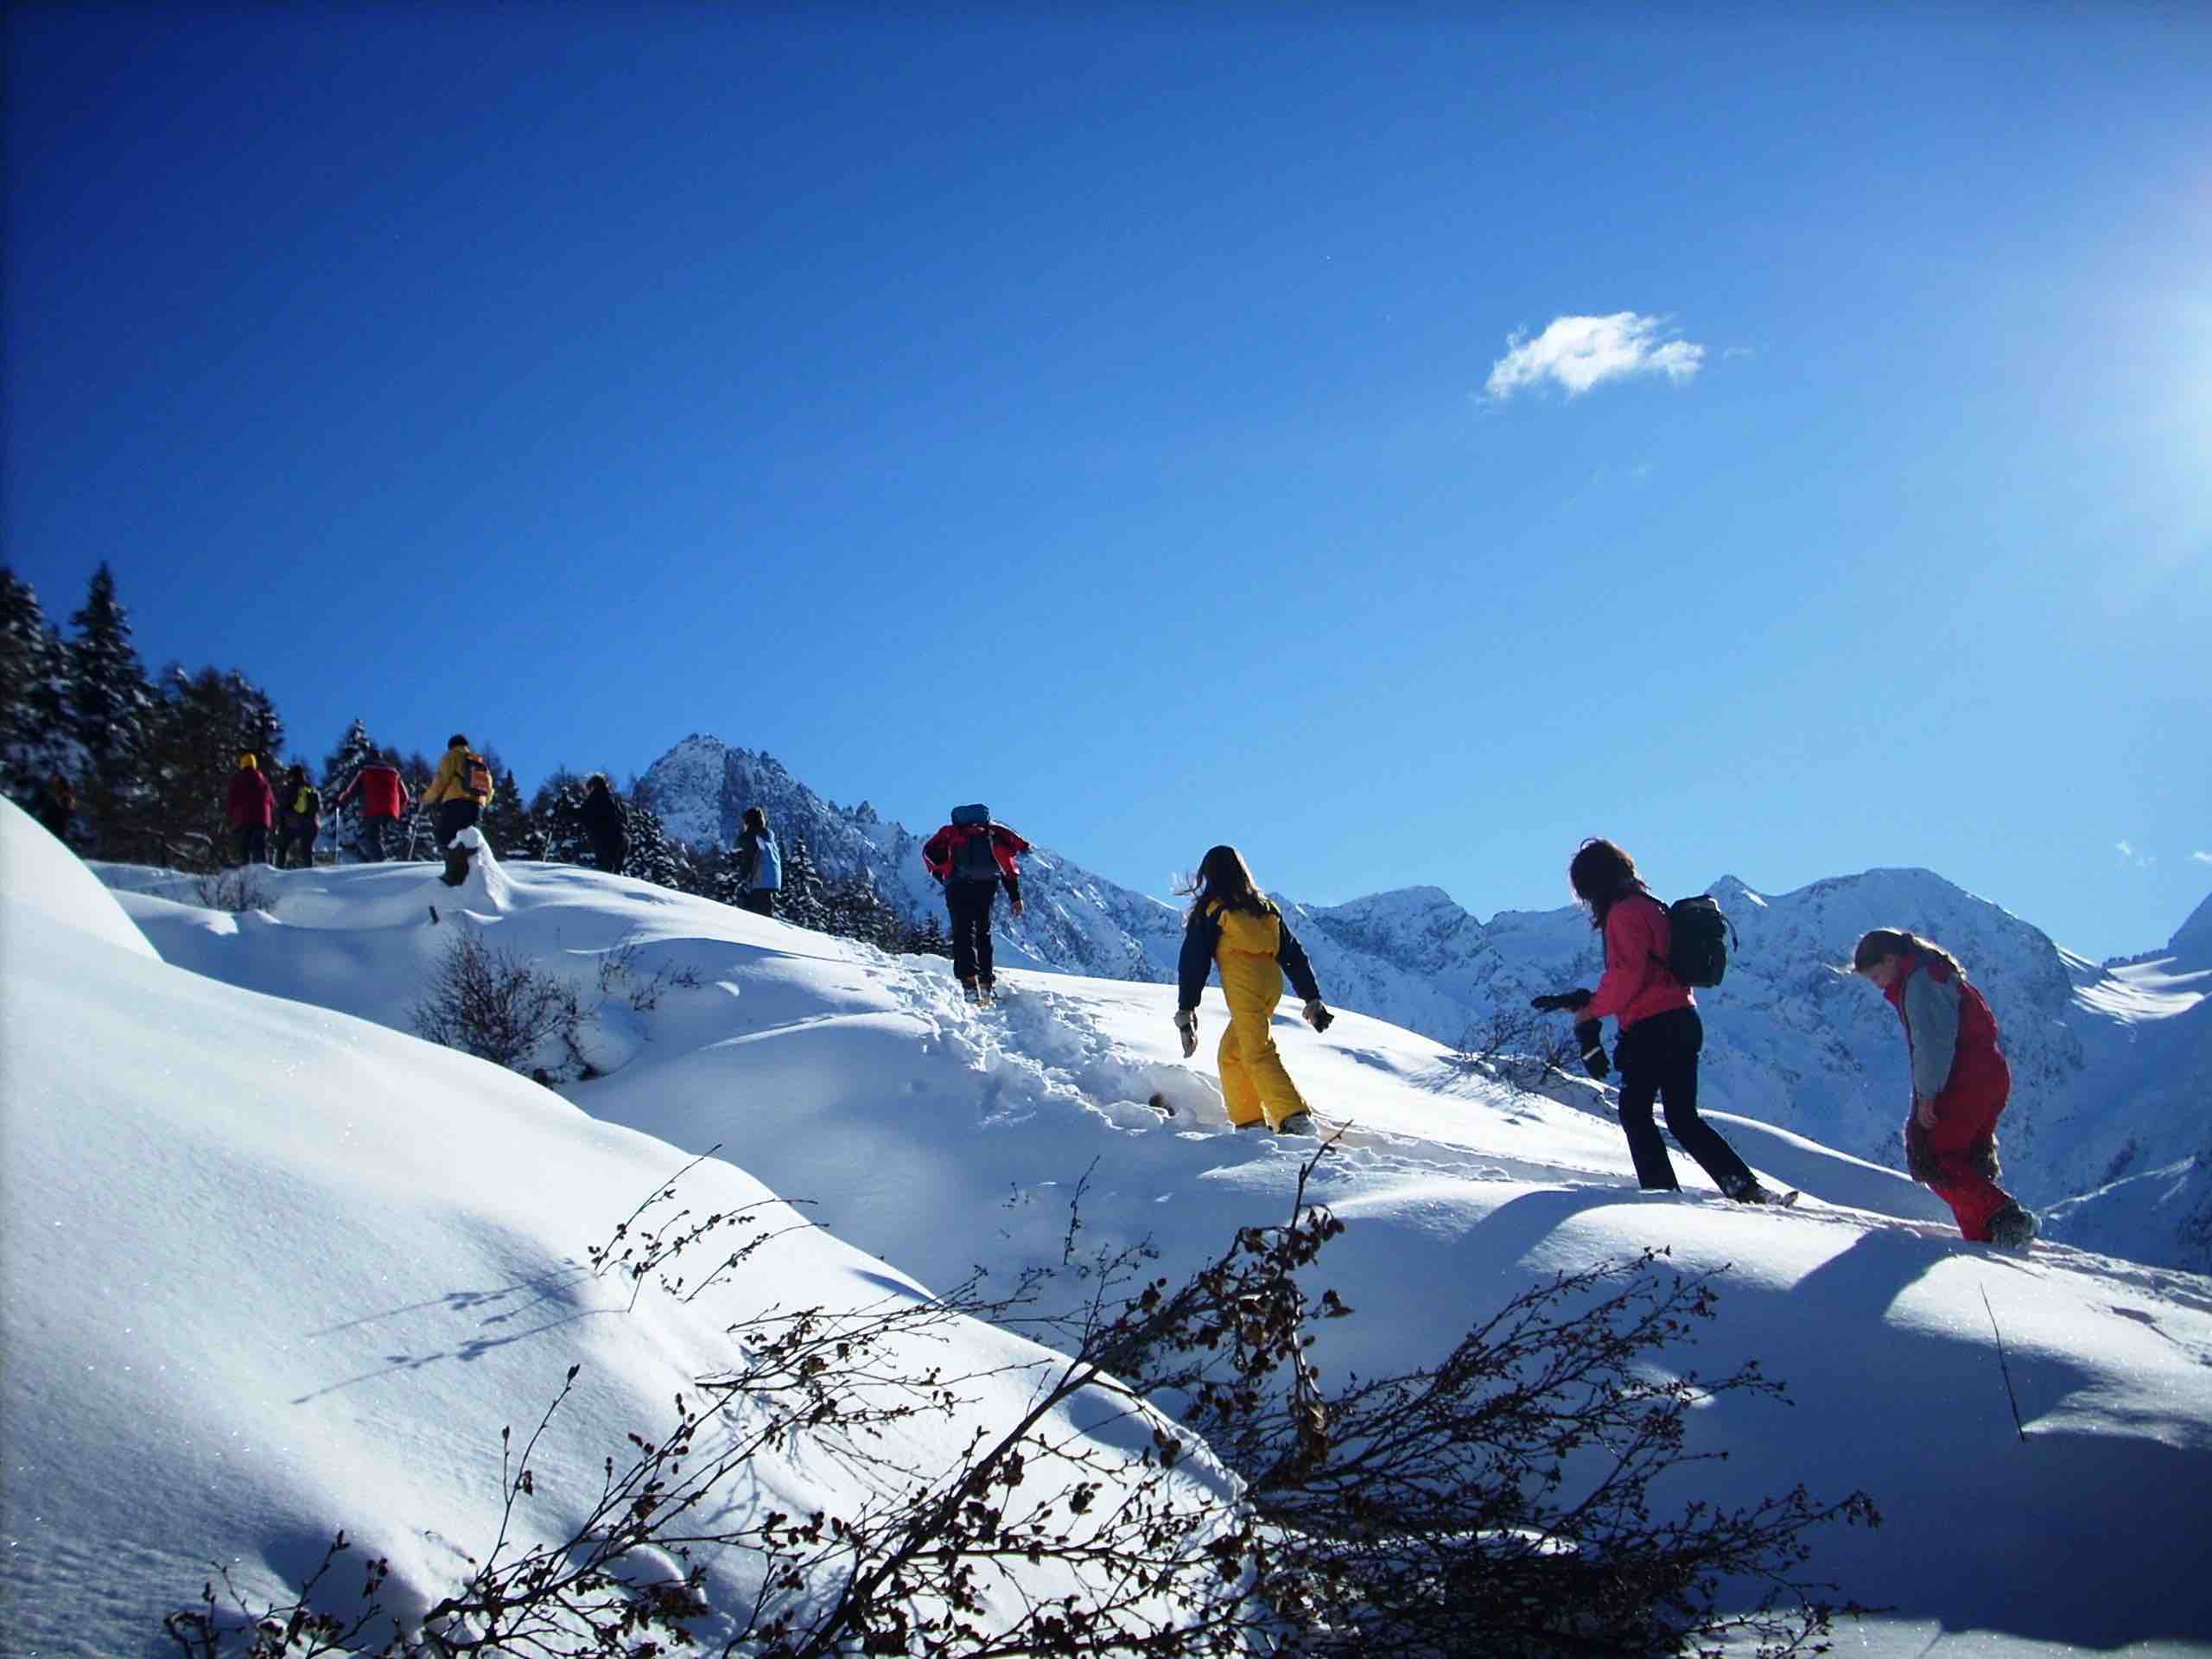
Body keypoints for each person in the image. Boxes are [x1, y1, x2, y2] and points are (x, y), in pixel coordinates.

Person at [1546, 837, 1775, 1202]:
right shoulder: (1652, 906)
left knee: (1635, 1111)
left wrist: (1590, 1013)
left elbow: (1627, 976)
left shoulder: (1623, 914)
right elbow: (1647, 972)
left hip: (1651, 1027)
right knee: (1683, 1117)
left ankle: (1660, 1193)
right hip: (1684, 1018)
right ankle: (1743, 1186)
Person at [1853, 929, 2038, 1250]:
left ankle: (2005, 1217)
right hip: (1986, 1075)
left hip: (1963, 1079)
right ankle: (1985, 1238)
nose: (1879, 984)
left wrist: (1927, 1095)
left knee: (1933, 1155)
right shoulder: (1936, 972)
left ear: (1890, 960)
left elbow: (1932, 1043)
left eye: (1876, 975)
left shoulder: (1921, 983)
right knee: (1965, 1158)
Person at [1173, 844, 1333, 1135]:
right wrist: (1311, 998)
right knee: (1232, 1053)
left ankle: (1294, 1118)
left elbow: (1194, 962)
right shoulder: (1265, 908)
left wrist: (1186, 1008)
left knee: (1257, 1051)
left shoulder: (1213, 910)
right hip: (1271, 985)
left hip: (1245, 985)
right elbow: (1293, 954)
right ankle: (1250, 1123)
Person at [921, 804, 1028, 1003]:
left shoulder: (950, 834)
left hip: (957, 886)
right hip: (986, 886)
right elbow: (1007, 867)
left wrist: (945, 878)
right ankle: (987, 984)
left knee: (962, 932)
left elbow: (931, 857)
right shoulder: (992, 835)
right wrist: (1015, 897)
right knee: (983, 932)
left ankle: (970, 984)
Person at [420, 733, 495, 885]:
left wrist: (427, 799)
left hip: (455, 802)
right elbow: (490, 788)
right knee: (467, 840)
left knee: (445, 836)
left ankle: (452, 876)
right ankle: (467, 877)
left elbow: (442, 778)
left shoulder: (452, 755)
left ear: (452, 745)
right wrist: (482, 803)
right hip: (475, 805)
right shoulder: (478, 760)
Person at [331, 759, 410, 862]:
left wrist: (341, 802)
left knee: (372, 838)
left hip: (372, 809)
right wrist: (399, 811)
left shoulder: (366, 771)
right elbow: (405, 797)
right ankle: (393, 861)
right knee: (387, 838)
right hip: (391, 811)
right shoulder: (394, 773)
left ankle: (381, 863)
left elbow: (352, 790)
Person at [224, 752, 274, 868]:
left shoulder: (237, 779)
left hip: (243, 819)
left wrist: (230, 816)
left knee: (243, 848)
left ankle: (245, 874)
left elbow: (232, 799)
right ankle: (262, 872)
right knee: (259, 847)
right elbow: (271, 801)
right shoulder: (264, 780)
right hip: (262, 819)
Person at [733, 804, 781, 917]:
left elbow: (748, 859)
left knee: (758, 918)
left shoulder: (753, 836)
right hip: (771, 883)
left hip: (760, 882)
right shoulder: (767, 836)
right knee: (763, 915)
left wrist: (742, 879)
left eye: (745, 822)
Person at [579, 773, 628, 874]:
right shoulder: (615, 799)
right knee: (616, 873)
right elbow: (626, 817)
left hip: (605, 838)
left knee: (605, 871)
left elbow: (582, 814)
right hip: (623, 838)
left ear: (592, 786)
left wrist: (565, 810)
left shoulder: (595, 797)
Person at [276, 764, 322, 869]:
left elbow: (281, 809)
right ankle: (310, 872)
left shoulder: (288, 789)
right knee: (306, 850)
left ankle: (278, 871)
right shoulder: (311, 789)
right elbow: (317, 807)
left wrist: (280, 825)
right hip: (310, 825)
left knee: (282, 847)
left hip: (293, 824)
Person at [34, 773, 74, 845]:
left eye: (56, 781)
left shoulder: (66, 795)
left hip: (57, 827)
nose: (53, 782)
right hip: (45, 821)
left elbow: (69, 812)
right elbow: (39, 802)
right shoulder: (48, 789)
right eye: (53, 780)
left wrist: (61, 803)